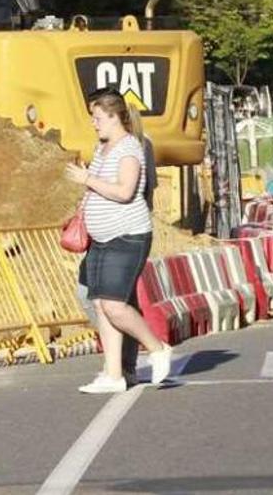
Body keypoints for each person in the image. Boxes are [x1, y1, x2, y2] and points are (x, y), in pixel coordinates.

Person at [63, 89, 173, 394]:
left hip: (125, 236)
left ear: (113, 116)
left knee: (114, 304)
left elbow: (125, 192)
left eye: (97, 117)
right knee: (99, 303)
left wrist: (86, 180)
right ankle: (114, 374)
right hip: (101, 239)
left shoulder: (129, 150)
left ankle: (157, 348)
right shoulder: (103, 149)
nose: (94, 124)